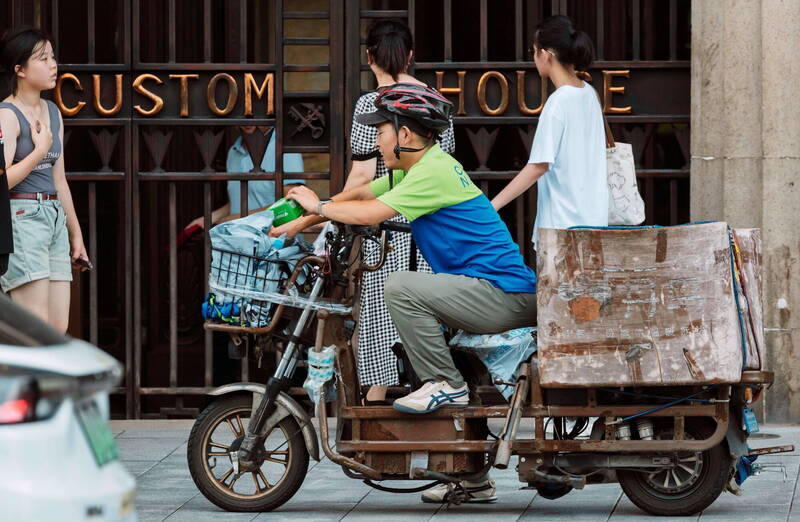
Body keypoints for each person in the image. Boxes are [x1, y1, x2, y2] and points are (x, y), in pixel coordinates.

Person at [271, 20, 455, 406]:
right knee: (427, 311)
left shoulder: (370, 105)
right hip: (431, 227)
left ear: (369, 57)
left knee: (380, 312)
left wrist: (323, 212)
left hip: (385, 225)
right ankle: (432, 386)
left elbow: (363, 174)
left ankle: (375, 399)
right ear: (409, 55)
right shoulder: (435, 102)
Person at [491, 15, 607, 248]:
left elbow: (538, 166)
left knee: (555, 286)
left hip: (562, 227)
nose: (533, 58)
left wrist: (492, 206)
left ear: (546, 54)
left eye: (533, 51)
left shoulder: (558, 102)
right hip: (595, 221)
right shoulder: (589, 93)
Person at [0, 27, 88, 332]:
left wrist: (75, 234)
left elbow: (59, 180)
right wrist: (38, 152)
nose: (53, 65)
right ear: (20, 70)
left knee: (57, 329)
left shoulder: (52, 112)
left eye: (53, 57)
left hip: (53, 220)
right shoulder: (7, 115)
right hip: (22, 219)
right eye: (43, 58)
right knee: (35, 330)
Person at [185, 125, 305, 231]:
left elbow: (293, 202)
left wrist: (240, 219)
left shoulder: (283, 147)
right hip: (239, 248)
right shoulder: (233, 151)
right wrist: (209, 218)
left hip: (276, 248)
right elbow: (242, 200)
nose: (247, 120)